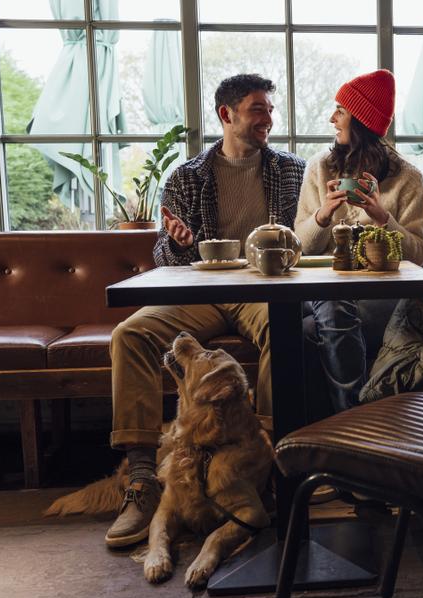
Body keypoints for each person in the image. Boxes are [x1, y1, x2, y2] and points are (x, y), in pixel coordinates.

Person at [105, 74, 305, 548]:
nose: (268, 119)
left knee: (288, 329)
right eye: (258, 110)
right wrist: (179, 245)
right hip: (200, 291)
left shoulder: (292, 171)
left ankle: (270, 466)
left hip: (261, 289)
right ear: (226, 115)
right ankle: (142, 480)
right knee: (129, 334)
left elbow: (306, 241)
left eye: (270, 111)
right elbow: (165, 258)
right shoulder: (186, 177)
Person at [295, 69, 423, 414]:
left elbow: (419, 256)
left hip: (381, 296)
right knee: (316, 310)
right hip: (323, 292)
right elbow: (301, 248)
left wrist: (383, 217)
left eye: (340, 110)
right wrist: (323, 214)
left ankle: (343, 425)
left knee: (311, 330)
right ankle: (350, 420)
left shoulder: (407, 178)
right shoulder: (320, 168)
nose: (332, 118)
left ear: (362, 119)